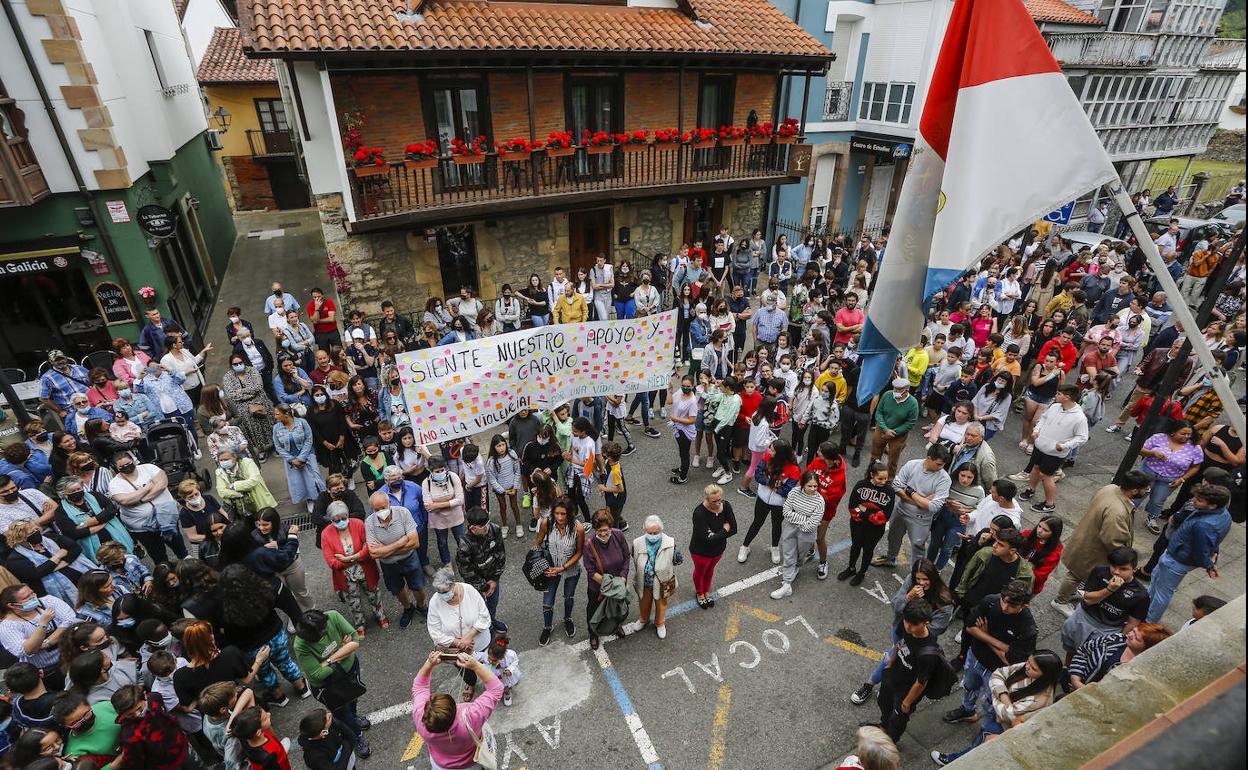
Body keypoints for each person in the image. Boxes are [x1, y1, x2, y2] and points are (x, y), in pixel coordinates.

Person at [850, 559, 956, 706]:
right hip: (899, 631)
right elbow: (895, 605)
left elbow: (937, 629)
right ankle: (870, 685)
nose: (920, 583)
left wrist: (915, 626)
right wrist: (909, 597)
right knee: (891, 659)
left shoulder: (944, 601)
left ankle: (879, 686)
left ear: (933, 578)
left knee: (904, 667)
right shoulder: (910, 581)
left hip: (919, 643)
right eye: (918, 579)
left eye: (925, 579)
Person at [931, 650, 1063, 766]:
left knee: (981, 747)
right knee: (981, 740)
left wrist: (995, 694)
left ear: (1045, 675)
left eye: (1033, 668)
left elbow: (1007, 714)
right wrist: (1005, 697)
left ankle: (954, 761)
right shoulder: (1026, 667)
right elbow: (997, 674)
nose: (1027, 666)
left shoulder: (1040, 698)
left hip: (1005, 728)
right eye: (1028, 661)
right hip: (997, 715)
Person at [1052, 472, 1151, 614]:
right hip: (1093, 549)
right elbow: (1113, 540)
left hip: (1087, 538)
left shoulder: (1110, 488)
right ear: (1134, 490)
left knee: (1076, 572)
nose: (1147, 491)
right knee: (1076, 575)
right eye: (1145, 489)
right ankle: (1060, 601)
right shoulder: (1117, 511)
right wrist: (1125, 559)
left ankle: (1069, 594)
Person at [944, 581, 1038, 722]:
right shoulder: (991, 602)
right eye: (1004, 601)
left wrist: (985, 636)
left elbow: (1011, 660)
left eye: (1012, 606)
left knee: (991, 701)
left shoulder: (1028, 628)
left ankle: (985, 723)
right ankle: (967, 710)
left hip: (998, 672)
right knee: (969, 686)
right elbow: (970, 627)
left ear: (1024, 605)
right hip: (975, 657)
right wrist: (1003, 646)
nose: (1005, 607)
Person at [1145, 484, 1231, 623]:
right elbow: (1216, 540)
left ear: (1212, 505)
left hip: (1177, 561)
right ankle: (1145, 604)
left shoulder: (1203, 525)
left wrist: (1209, 564)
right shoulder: (1224, 515)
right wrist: (1212, 558)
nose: (1194, 501)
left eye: (1199, 500)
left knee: (1162, 592)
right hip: (1177, 555)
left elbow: (1201, 551)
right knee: (1156, 578)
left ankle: (1149, 621)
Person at [292, 609, 371, 758]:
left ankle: (354, 719)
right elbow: (317, 674)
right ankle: (356, 736)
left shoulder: (332, 616)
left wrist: (328, 661)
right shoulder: (300, 645)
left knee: (353, 698)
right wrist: (343, 649)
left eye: (325, 626)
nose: (326, 631)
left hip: (349, 671)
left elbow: (355, 640)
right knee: (342, 712)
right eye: (322, 632)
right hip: (328, 685)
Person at [412, 649, 503, 767]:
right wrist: (475, 665)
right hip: (471, 764)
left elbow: (419, 687)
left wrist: (429, 663)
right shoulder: (471, 718)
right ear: (455, 708)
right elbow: (496, 689)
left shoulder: (422, 720)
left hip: (440, 766)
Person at [1059, 546, 1149, 662]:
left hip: (1107, 630)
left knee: (1090, 660)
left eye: (1123, 569)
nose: (1116, 572)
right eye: (1113, 566)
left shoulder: (1140, 595)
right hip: (1083, 618)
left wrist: (1116, 642)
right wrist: (1109, 590)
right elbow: (1088, 599)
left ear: (1134, 569)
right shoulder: (1100, 571)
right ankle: (1066, 668)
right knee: (1070, 649)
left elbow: (1132, 623)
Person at [1011, 384, 1088, 513]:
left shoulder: (1079, 418)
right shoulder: (1055, 406)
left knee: (1046, 476)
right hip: (1040, 445)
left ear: (1067, 397)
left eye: (1058, 394)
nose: (1055, 395)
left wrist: (1064, 446)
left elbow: (1082, 437)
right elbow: (1043, 419)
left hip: (1055, 453)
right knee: (1035, 468)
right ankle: (1031, 489)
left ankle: (1049, 503)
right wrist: (1036, 430)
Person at [872, 445, 951, 569]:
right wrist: (921, 501)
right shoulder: (912, 465)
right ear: (929, 458)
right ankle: (890, 558)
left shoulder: (944, 479)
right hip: (900, 510)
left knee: (918, 545)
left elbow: (934, 507)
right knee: (893, 537)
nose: (941, 468)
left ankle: (916, 573)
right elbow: (896, 486)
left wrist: (910, 491)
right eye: (939, 464)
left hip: (921, 518)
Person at [876, 598, 941, 742]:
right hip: (892, 676)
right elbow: (898, 644)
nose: (908, 627)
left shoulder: (928, 652)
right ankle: (883, 726)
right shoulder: (905, 626)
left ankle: (891, 740)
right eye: (906, 621)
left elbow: (921, 682)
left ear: (926, 623)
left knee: (897, 719)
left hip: (906, 689)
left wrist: (906, 702)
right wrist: (890, 664)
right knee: (883, 703)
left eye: (913, 624)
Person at [425, 567, 493, 701]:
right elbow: (434, 632)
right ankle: (471, 684)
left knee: (489, 666)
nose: (442, 595)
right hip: (457, 649)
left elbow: (484, 616)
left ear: (453, 585)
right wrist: (458, 643)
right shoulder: (435, 602)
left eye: (445, 591)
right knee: (466, 670)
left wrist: (469, 637)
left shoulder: (469, 591)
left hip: (480, 642)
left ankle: (491, 684)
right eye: (439, 592)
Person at [111, 683, 202, 770]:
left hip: (182, 745)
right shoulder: (129, 735)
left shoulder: (154, 698)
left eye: (139, 708)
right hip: (166, 766)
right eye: (130, 714)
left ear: (145, 695)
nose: (137, 714)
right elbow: (135, 762)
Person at [1137, 420, 1204, 534]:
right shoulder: (1159, 437)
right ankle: (1128, 510)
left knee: (1158, 500)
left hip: (1170, 479)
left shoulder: (1194, 447)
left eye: (1189, 434)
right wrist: (1153, 453)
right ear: (1173, 432)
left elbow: (1196, 467)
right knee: (1138, 493)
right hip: (1148, 472)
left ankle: (1152, 517)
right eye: (1183, 433)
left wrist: (1182, 479)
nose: (1186, 436)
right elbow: (1140, 449)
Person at [535, 496, 585, 644]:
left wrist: (562, 568)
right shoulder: (547, 523)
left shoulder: (579, 528)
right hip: (551, 569)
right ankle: (547, 627)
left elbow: (579, 552)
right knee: (547, 603)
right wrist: (540, 564)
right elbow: (537, 543)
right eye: (556, 513)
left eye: (563, 514)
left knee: (568, 596)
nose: (559, 517)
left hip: (570, 569)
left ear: (570, 513)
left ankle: (567, 619)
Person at [622, 515, 680, 639]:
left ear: (661, 530)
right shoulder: (637, 543)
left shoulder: (670, 543)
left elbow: (677, 559)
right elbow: (633, 555)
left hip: (663, 582)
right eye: (650, 533)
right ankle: (643, 619)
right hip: (644, 582)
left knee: (661, 604)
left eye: (656, 532)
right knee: (643, 602)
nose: (653, 535)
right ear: (645, 531)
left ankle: (660, 623)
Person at [768, 472, 823, 600]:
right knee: (788, 555)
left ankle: (796, 568)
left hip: (807, 533)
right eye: (810, 486)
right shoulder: (794, 492)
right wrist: (805, 519)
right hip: (790, 528)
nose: (813, 489)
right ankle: (787, 585)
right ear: (803, 484)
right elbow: (786, 512)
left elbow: (812, 524)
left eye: (815, 486)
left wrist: (798, 519)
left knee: (800, 555)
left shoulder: (820, 501)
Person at [1068, 622, 1172, 689]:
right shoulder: (1115, 639)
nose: (1130, 634)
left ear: (1147, 648)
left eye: (1136, 638)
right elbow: (1083, 651)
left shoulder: (1141, 671)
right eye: (1133, 631)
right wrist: (1075, 680)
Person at [582, 509, 630, 650]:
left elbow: (626, 557)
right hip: (598, 588)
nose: (603, 534)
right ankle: (593, 634)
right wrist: (611, 586)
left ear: (611, 527)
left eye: (605, 530)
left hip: (618, 583)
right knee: (594, 610)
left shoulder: (618, 535)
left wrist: (622, 578)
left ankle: (615, 626)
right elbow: (591, 571)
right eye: (599, 531)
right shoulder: (588, 544)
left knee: (615, 608)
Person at [456, 506, 506, 633]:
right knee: (479, 608)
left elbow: (501, 555)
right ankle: (487, 630)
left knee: (493, 603)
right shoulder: (464, 545)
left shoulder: (494, 530)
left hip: (493, 576)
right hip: (476, 584)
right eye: (483, 527)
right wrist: (484, 587)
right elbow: (466, 572)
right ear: (472, 528)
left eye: (488, 524)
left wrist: (494, 580)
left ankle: (492, 621)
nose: (487, 528)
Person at [272, 404, 326, 515]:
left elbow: (309, 440)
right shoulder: (276, 428)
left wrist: (301, 458)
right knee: (300, 481)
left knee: (315, 478)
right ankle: (309, 499)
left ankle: (322, 499)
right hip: (291, 461)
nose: (275, 416)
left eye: (277, 414)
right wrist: (292, 460)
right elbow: (278, 447)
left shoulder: (302, 422)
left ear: (286, 414)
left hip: (307, 457)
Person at [223, 354, 276, 462]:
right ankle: (260, 450)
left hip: (260, 402)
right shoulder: (228, 377)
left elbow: (258, 386)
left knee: (268, 423)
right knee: (251, 428)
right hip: (242, 408)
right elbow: (231, 394)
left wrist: (241, 391)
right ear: (231, 365)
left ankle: (276, 445)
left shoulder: (252, 371)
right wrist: (250, 392)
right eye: (235, 364)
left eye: (240, 363)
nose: (238, 365)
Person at [870, 378, 919, 479]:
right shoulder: (887, 395)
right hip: (882, 429)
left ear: (906, 390)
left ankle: (889, 480)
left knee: (893, 461)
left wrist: (894, 432)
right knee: (875, 455)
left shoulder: (913, 403)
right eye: (894, 389)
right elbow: (879, 412)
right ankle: (871, 475)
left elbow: (910, 423)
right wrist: (885, 429)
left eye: (899, 390)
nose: (895, 391)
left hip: (899, 435)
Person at [423, 456, 466, 567]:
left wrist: (437, 505)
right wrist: (451, 502)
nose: (441, 473)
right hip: (438, 520)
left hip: (455, 516)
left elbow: (460, 500)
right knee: (442, 542)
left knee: (461, 539)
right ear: (431, 471)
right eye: (437, 471)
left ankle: (465, 559)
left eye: (442, 470)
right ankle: (447, 562)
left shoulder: (453, 477)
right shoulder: (426, 483)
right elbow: (428, 507)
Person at [233, 706, 292, 770]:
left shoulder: (247, 738)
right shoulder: (268, 755)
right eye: (265, 718)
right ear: (258, 732)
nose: (269, 714)